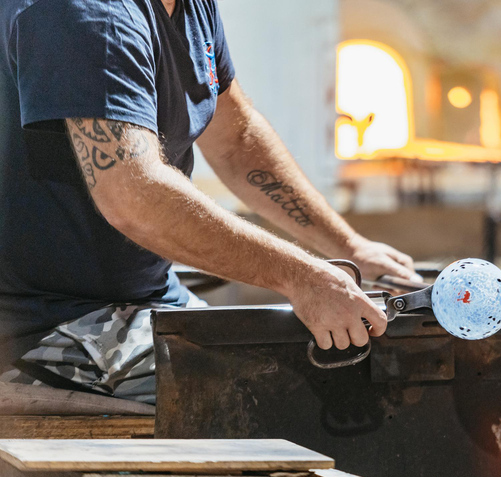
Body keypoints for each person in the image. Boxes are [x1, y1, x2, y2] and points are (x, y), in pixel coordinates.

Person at [0, 0, 419, 403]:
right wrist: (303, 277)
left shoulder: (191, 6)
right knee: (286, 394)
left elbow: (237, 141)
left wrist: (349, 249)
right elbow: (135, 198)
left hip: (149, 299)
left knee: (349, 364)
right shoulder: (85, 14)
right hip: (41, 324)